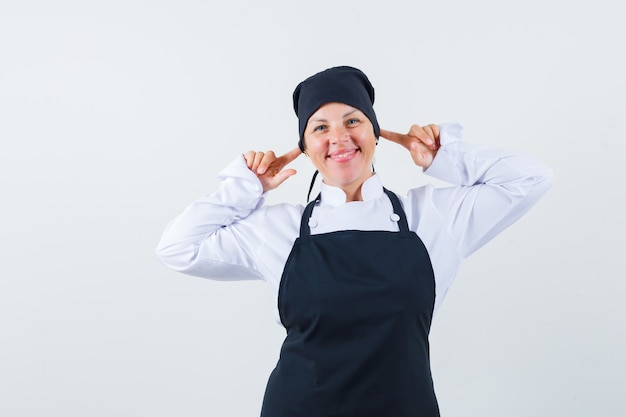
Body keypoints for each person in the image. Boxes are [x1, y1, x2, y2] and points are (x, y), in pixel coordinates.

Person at [156, 66, 553, 416]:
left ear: (376, 132)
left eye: (352, 121)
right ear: (306, 148)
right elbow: (177, 247)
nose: (339, 138)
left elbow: (532, 178)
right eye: (320, 128)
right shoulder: (278, 229)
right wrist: (247, 186)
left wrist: (443, 156)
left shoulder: (433, 217)